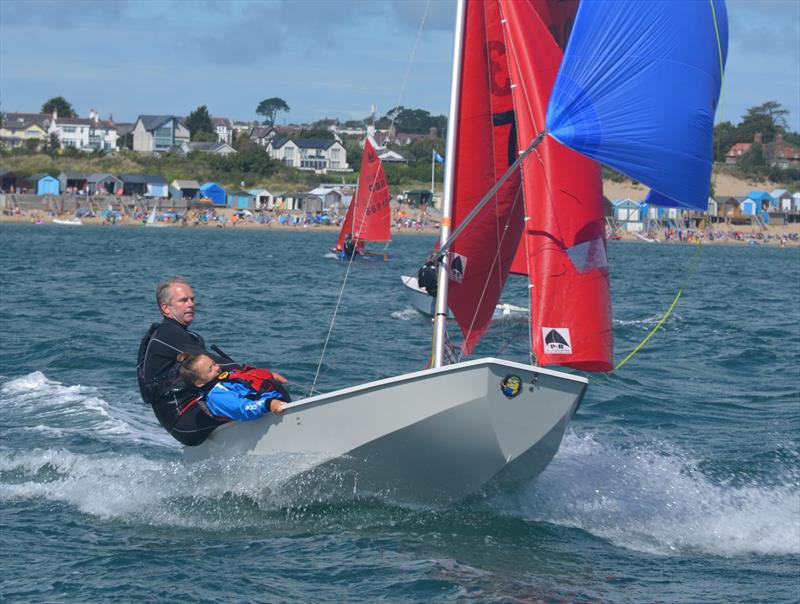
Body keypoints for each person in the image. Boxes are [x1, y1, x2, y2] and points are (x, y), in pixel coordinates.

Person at [137, 276, 286, 445]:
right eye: (183, 300)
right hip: (183, 418)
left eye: (192, 299)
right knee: (261, 387)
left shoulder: (181, 334)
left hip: (187, 414)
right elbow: (212, 362)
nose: (191, 304)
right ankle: (281, 422)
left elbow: (213, 367)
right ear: (165, 308)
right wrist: (260, 375)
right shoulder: (167, 333)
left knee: (249, 387)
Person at [176, 352, 288, 421]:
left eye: (214, 363)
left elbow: (249, 378)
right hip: (267, 413)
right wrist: (268, 404)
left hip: (278, 404)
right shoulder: (216, 396)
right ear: (199, 383)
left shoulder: (226, 377)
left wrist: (270, 376)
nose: (217, 368)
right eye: (210, 369)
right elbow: (242, 408)